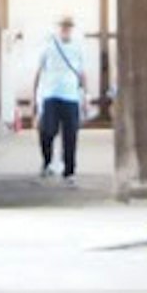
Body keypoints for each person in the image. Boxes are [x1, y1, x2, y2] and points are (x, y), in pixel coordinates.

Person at [31, 14, 90, 183]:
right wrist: (34, 97)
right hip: (50, 94)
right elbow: (38, 72)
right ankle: (47, 161)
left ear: (72, 29)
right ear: (58, 28)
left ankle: (69, 170)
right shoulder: (48, 47)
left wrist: (86, 96)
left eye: (68, 26)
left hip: (71, 96)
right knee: (46, 130)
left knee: (71, 134)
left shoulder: (78, 48)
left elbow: (83, 73)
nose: (65, 29)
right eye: (63, 26)